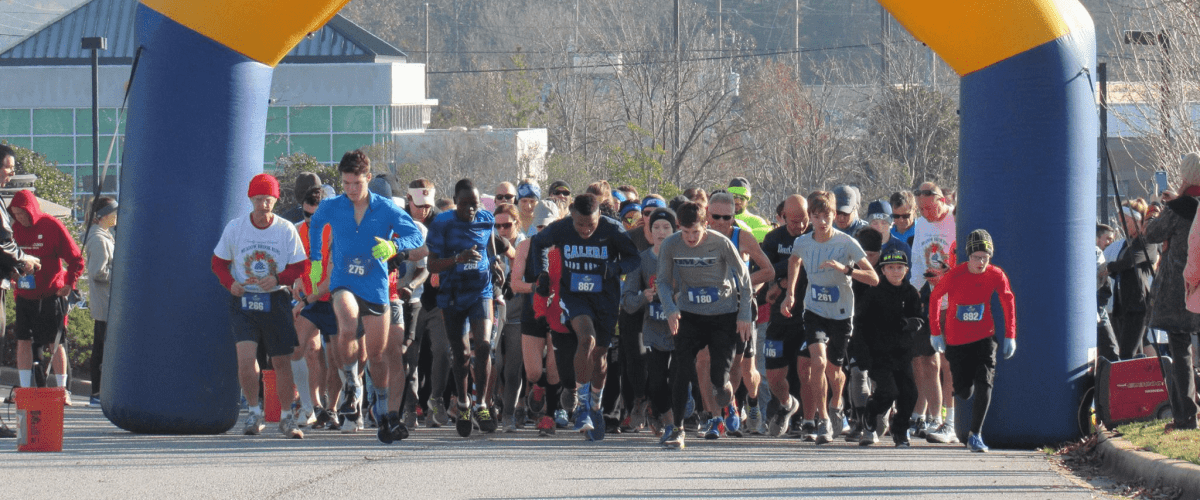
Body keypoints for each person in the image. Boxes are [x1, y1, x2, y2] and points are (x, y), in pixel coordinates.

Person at [307, 150, 425, 441]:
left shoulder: (386, 208)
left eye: (356, 183)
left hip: (375, 286)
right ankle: (352, 384)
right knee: (346, 325)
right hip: (343, 280)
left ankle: (383, 408)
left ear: (368, 179)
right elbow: (316, 223)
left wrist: (393, 247)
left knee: (377, 354)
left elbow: (417, 237)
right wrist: (317, 262)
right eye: (345, 183)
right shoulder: (333, 206)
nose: (350, 189)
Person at [525, 193, 641, 439]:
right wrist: (542, 274)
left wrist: (615, 268)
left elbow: (633, 259)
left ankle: (596, 405)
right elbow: (538, 244)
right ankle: (581, 404)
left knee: (599, 356)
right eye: (580, 224)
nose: (586, 230)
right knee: (585, 339)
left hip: (606, 299)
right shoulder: (563, 227)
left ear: (599, 216)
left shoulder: (613, 229)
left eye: (591, 224)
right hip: (575, 296)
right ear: (572, 216)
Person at [210, 174, 308, 437]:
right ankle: (254, 412)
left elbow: (300, 265)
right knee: (245, 360)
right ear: (250, 199)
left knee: (281, 362)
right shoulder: (236, 227)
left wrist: (278, 279)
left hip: (275, 299)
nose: (264, 205)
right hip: (243, 300)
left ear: (276, 200)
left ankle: (287, 417)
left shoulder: (285, 229)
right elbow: (218, 262)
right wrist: (230, 283)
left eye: (269, 200)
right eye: (258, 199)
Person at [780, 190, 879, 444]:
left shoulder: (846, 243)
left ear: (834, 216)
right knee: (818, 363)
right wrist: (790, 294)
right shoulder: (803, 242)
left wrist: (845, 269)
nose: (822, 221)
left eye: (827, 216)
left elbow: (874, 278)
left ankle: (837, 401)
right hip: (814, 311)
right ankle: (823, 419)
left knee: (835, 371)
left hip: (842, 315)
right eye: (817, 216)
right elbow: (794, 261)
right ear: (810, 217)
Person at [656, 202, 754, 448]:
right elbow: (663, 282)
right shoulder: (671, 244)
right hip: (690, 314)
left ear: (705, 226)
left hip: (723, 315)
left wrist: (744, 314)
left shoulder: (720, 242)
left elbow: (744, 279)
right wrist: (670, 309)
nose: (690, 238)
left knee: (719, 381)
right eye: (685, 232)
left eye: (695, 232)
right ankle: (677, 429)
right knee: (680, 370)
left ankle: (727, 401)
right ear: (679, 227)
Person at [928, 229, 1017, 452]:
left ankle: (975, 435)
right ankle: (960, 402)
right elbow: (936, 296)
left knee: (985, 380)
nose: (981, 262)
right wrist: (935, 332)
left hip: (985, 336)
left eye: (985, 258)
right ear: (968, 257)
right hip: (957, 340)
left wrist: (1010, 335)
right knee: (964, 390)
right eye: (976, 257)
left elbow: (1008, 300)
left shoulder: (996, 274)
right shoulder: (955, 275)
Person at [427, 179, 499, 437]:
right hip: (453, 294)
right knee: (461, 354)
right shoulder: (442, 224)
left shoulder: (486, 219)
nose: (470, 209)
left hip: (481, 291)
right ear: (456, 202)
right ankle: (463, 403)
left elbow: (490, 250)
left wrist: (496, 264)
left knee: (484, 346)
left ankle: (481, 404)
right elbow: (431, 266)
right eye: (465, 204)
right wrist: (458, 259)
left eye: (474, 204)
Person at [702, 192, 774, 436]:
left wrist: (741, 285)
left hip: (740, 308)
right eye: (716, 216)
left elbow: (768, 271)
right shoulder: (696, 236)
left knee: (743, 366)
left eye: (727, 217)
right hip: (709, 309)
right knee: (710, 362)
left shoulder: (742, 236)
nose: (721, 222)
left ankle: (751, 404)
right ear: (706, 215)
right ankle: (719, 415)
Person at [1144, 152, 1200, 430]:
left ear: (1186, 177)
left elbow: (1152, 234)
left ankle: (1185, 416)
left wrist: (1156, 206)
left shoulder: (1179, 208)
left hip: (1181, 290)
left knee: (1181, 351)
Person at [10, 189, 82, 399]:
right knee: (23, 341)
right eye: (15, 214)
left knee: (55, 342)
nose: (20, 218)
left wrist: (69, 283)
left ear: (32, 210)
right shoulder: (12, 229)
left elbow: (76, 258)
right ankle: (24, 388)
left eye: (23, 213)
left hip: (51, 294)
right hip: (24, 295)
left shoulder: (51, 225)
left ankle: (62, 389)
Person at [856, 248, 923, 447]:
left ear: (906, 270)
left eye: (900, 267)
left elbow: (919, 317)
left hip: (902, 353)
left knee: (909, 393)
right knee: (888, 391)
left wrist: (912, 323)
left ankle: (900, 431)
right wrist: (862, 353)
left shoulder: (910, 292)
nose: (895, 271)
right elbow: (860, 325)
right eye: (890, 267)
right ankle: (872, 409)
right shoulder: (873, 292)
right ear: (882, 270)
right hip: (878, 354)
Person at [622, 207, 678, 439]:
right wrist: (643, 297)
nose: (661, 232)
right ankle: (666, 420)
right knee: (655, 381)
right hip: (653, 329)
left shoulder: (683, 258)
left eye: (666, 227)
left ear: (675, 230)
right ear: (649, 230)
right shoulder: (641, 260)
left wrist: (678, 300)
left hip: (679, 331)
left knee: (677, 378)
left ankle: (675, 423)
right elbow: (627, 301)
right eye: (656, 227)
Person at [909, 182, 957, 441]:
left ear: (942, 199)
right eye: (922, 208)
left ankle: (951, 421)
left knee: (949, 362)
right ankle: (934, 418)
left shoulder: (956, 219)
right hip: (931, 298)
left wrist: (946, 275)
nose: (926, 212)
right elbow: (917, 260)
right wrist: (912, 291)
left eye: (930, 207)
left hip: (955, 299)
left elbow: (966, 260)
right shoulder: (921, 224)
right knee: (926, 359)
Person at [761, 194, 810, 438]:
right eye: (793, 221)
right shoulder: (773, 239)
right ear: (782, 217)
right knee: (773, 375)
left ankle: (803, 419)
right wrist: (780, 276)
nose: (799, 226)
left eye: (804, 220)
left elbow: (809, 269)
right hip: (779, 317)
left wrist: (781, 282)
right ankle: (786, 404)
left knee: (804, 369)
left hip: (807, 316)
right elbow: (764, 269)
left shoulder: (814, 236)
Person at [291, 186, 337, 429]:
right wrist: (297, 283)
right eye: (306, 214)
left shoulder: (335, 230)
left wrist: (305, 300)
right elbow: (297, 264)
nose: (309, 220)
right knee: (301, 349)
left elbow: (331, 276)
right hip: (309, 299)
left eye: (314, 216)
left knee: (337, 358)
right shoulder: (299, 229)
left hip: (333, 299)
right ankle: (311, 406)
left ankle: (337, 408)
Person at [1104, 201, 1157, 359]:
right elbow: (1122, 269)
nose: (1122, 224)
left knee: (1127, 352)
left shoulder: (1146, 241)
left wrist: (1108, 268)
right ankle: (1143, 382)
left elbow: (1128, 262)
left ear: (1137, 220)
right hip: (1124, 304)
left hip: (1137, 304)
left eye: (1125, 220)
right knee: (1136, 350)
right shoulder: (1129, 243)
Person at [84, 196, 117, 407]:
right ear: (103, 216)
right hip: (104, 303)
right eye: (114, 211)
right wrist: (120, 274)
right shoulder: (98, 239)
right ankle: (96, 391)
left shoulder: (104, 235)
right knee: (101, 348)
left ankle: (99, 390)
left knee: (103, 346)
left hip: (106, 302)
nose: (116, 215)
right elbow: (98, 272)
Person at [727, 177, 771, 242]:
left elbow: (769, 234)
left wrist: (740, 230)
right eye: (734, 196)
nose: (737, 201)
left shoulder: (757, 221)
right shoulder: (719, 217)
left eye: (742, 198)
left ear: (748, 199)